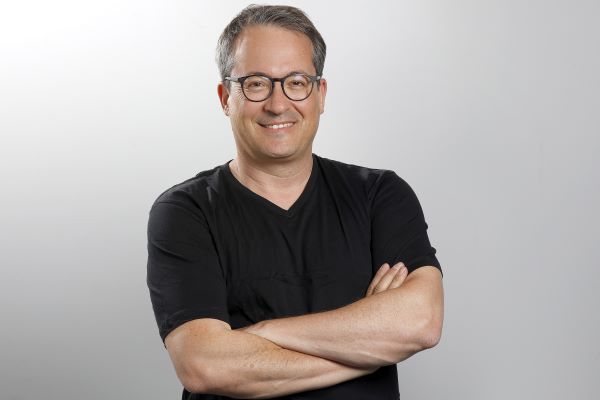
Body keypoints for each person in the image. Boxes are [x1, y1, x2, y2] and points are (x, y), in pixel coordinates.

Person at [146, 4, 444, 399]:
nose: (278, 104)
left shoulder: (379, 196)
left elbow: (421, 322)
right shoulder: (186, 213)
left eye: (297, 82)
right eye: (256, 84)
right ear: (225, 98)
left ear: (320, 94)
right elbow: (204, 365)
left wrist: (262, 333)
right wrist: (368, 345)